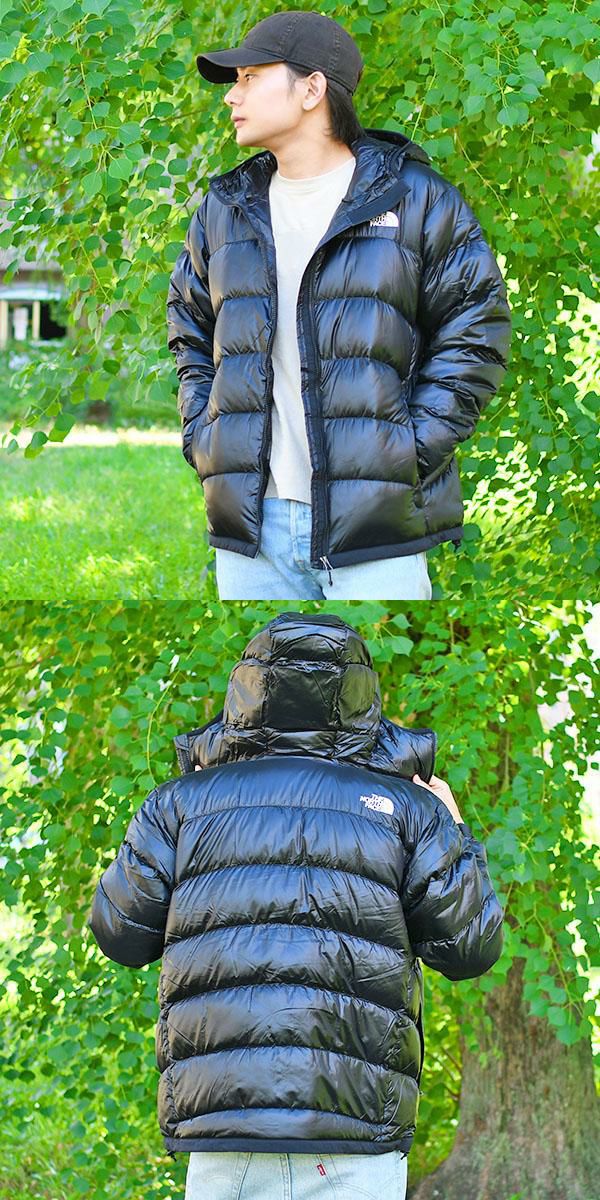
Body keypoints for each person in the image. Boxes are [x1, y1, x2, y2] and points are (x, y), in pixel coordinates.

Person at [87, 611, 505, 1200]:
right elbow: (470, 948)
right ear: (360, 695)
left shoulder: (178, 805)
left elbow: (120, 934)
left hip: (223, 1127)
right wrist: (456, 831)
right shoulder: (411, 809)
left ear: (248, 691)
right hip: (355, 1128)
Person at [166, 10, 512, 601]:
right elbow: (189, 328)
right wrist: (206, 437)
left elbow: (476, 331)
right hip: (252, 535)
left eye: (250, 78)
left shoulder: (415, 199)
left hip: (375, 532)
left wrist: (404, 452)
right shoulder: (225, 209)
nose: (232, 96)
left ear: (312, 89)